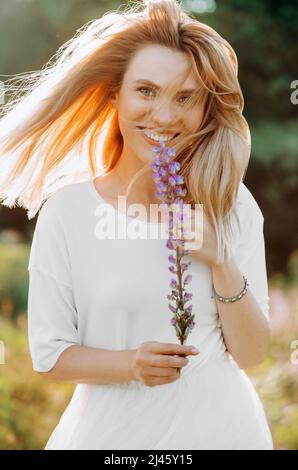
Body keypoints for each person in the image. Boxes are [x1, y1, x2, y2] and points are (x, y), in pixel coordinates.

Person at [0, 0, 273, 450]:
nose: (164, 117)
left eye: (185, 97)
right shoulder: (68, 212)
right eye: (146, 91)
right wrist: (131, 363)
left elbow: (253, 354)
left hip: (226, 434)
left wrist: (221, 262)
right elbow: (49, 356)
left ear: (206, 109)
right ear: (115, 95)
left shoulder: (231, 204)